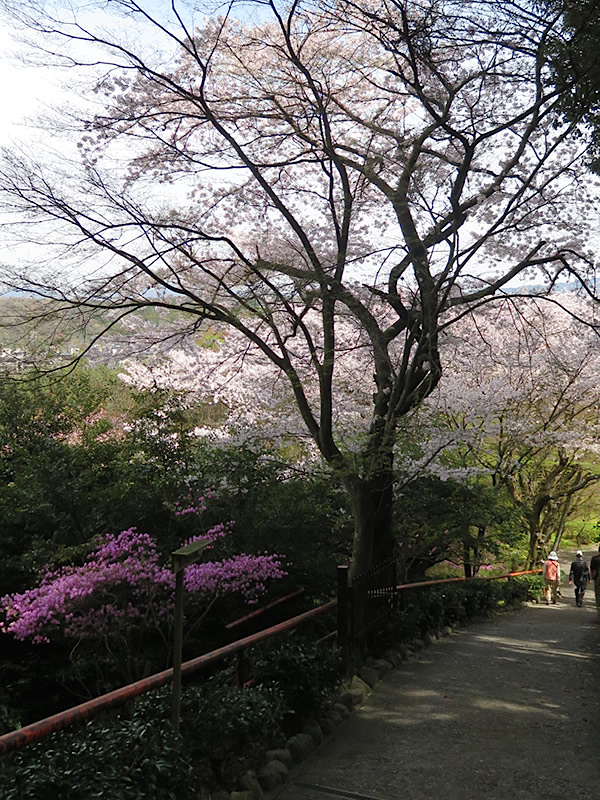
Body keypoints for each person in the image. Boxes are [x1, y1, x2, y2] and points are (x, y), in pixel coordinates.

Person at [590, 544, 600, 619]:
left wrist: (592, 577)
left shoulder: (595, 559)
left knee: (598, 597)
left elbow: (593, 570)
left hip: (598, 580)